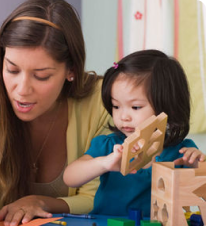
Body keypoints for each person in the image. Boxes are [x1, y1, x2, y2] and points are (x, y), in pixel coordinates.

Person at [0, 0, 111, 225]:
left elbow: (98, 198)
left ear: (71, 70)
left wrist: (41, 202)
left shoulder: (102, 102)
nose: (22, 90)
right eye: (12, 69)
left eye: (41, 76)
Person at [63, 49, 206, 217]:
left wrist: (198, 166)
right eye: (116, 106)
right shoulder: (109, 146)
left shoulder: (182, 151)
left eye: (135, 107)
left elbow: (198, 197)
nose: (123, 116)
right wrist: (104, 164)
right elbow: (70, 177)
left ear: (168, 106)